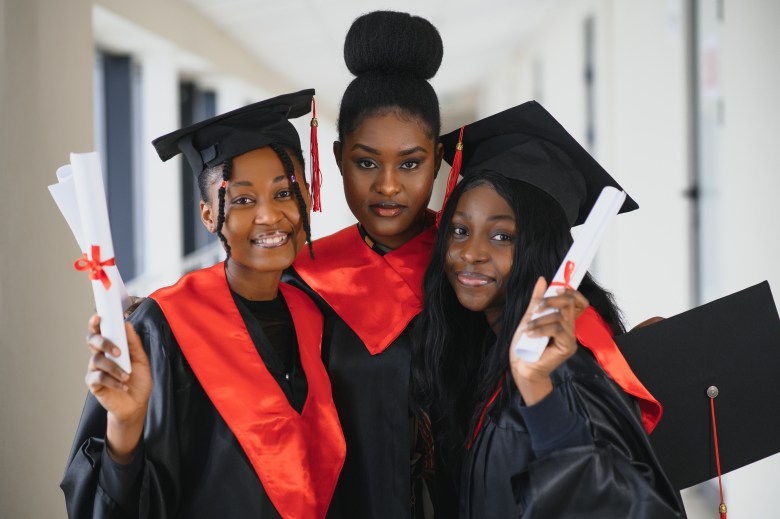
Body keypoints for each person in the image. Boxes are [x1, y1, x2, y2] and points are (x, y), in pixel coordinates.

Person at [61, 90, 346, 519]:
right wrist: (125, 425)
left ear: (309, 195)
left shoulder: (313, 313)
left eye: (285, 193)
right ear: (208, 214)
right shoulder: (161, 327)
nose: (270, 216)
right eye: (244, 199)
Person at [414, 101, 687, 518]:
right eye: (460, 229)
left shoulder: (566, 371)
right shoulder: (488, 350)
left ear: (543, 250)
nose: (470, 253)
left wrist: (539, 392)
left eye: (502, 236)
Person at [285, 11, 444, 518]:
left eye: (411, 163)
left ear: (439, 159)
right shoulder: (305, 280)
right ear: (337, 157)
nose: (389, 187)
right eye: (367, 162)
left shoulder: (472, 268)